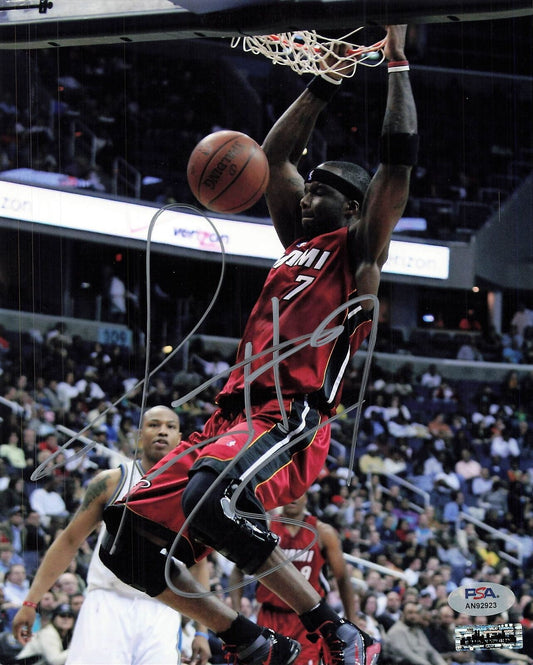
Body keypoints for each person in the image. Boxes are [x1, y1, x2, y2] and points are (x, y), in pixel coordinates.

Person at [98, 23, 417, 665]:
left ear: (354, 208)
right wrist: (322, 81)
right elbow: (273, 159)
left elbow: (398, 158)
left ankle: (337, 632)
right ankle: (251, 642)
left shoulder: (358, 253)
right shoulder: (295, 242)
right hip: (230, 416)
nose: (305, 197)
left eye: (321, 190)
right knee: (123, 544)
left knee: (209, 498)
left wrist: (397, 66)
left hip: (289, 416)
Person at [12, 406, 211, 665]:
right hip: (106, 602)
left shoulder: (190, 492)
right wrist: (30, 602)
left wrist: (201, 630)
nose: (162, 431)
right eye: (154, 425)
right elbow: (69, 541)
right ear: (140, 435)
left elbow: (199, 565)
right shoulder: (111, 481)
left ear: (180, 437)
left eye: (170, 426)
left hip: (162, 609)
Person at [230, 493, 357, 665]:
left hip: (308, 623)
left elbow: (342, 578)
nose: (293, 497)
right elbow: (237, 571)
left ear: (307, 496)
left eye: (299, 492)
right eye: (289, 492)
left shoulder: (323, 532)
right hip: (270, 616)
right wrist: (238, 614)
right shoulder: (265, 527)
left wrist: (352, 621)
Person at [382, 602, 447, 665]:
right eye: (410, 612)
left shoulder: (417, 630)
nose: (413, 616)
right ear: (403, 614)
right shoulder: (396, 631)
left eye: (416, 613)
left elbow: (431, 651)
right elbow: (408, 655)